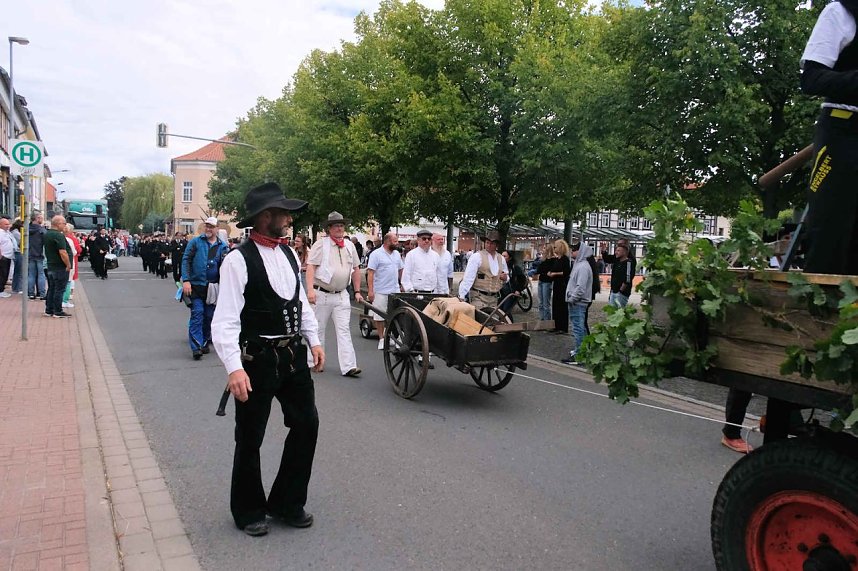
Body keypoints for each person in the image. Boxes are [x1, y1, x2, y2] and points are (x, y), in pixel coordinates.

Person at [211, 182, 324, 537]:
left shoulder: (289, 255)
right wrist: (234, 367)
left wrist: (314, 340)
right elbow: (225, 319)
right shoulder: (237, 260)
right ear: (265, 217)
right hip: (257, 359)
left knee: (307, 424)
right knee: (250, 437)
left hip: (292, 356)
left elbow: (300, 303)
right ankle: (248, 510)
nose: (289, 219)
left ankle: (287, 501)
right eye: (283, 212)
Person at [800, 0, 858, 275]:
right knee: (832, 226)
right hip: (843, 129)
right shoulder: (841, 12)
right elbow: (811, 79)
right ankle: (820, 310)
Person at [306, 211, 363, 377]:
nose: (340, 228)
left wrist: (358, 291)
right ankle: (316, 362)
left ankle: (349, 366)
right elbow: (311, 267)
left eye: (342, 225)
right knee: (318, 329)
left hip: (341, 294)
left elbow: (356, 269)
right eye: (336, 225)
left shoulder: (349, 246)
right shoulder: (320, 245)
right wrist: (310, 290)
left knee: (344, 330)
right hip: (321, 293)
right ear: (329, 228)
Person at [181, 217, 230, 360]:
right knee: (197, 313)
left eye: (211, 227)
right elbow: (186, 260)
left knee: (209, 316)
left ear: (217, 229)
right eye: (206, 226)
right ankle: (196, 346)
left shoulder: (222, 246)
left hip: (213, 287)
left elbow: (226, 266)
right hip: (196, 285)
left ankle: (204, 341)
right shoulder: (196, 242)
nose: (208, 229)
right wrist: (186, 280)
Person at [367, 232, 404, 349]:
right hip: (381, 290)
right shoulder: (376, 254)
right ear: (387, 241)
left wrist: (402, 284)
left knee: (396, 314)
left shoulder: (397, 254)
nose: (397, 243)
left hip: (395, 290)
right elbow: (371, 273)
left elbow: (401, 269)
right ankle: (382, 338)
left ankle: (393, 336)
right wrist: (370, 291)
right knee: (379, 315)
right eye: (395, 241)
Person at [458, 231, 508, 310]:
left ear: (496, 245)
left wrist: (505, 278)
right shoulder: (477, 257)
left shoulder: (501, 259)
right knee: (479, 319)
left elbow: (506, 276)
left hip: (494, 298)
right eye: (487, 242)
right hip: (478, 296)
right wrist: (462, 295)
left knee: (493, 321)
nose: (489, 245)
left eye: (492, 243)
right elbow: (468, 278)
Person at [561, 242, 593, 365]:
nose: (572, 252)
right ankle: (582, 351)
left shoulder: (583, 267)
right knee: (580, 328)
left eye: (574, 250)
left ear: (580, 251)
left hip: (578, 303)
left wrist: (572, 298)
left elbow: (580, 287)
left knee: (578, 328)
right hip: (577, 302)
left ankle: (580, 354)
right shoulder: (579, 265)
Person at [402, 229, 449, 295]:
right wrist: (411, 292)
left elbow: (439, 276)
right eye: (424, 239)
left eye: (429, 239)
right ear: (418, 240)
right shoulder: (411, 255)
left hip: (433, 294)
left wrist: (442, 292)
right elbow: (406, 277)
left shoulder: (435, 255)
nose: (427, 241)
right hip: (416, 294)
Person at [43, 215, 73, 318]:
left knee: (52, 288)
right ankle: (58, 311)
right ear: (58, 223)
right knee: (59, 289)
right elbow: (63, 252)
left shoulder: (47, 234)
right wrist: (68, 264)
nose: (65, 226)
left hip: (51, 265)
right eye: (64, 223)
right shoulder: (58, 235)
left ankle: (49, 309)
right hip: (60, 266)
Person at [546, 239, 571, 333]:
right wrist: (550, 272)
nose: (554, 248)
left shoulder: (565, 259)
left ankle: (563, 327)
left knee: (562, 306)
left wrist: (555, 274)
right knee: (555, 305)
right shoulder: (557, 259)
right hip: (556, 284)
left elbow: (566, 272)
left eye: (556, 246)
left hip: (562, 285)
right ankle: (555, 325)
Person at [499, 250, 527, 319]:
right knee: (500, 310)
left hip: (511, 293)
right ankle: (502, 326)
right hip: (501, 293)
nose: (502, 258)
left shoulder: (514, 268)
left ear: (510, 258)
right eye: (501, 256)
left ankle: (509, 326)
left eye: (504, 256)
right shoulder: (499, 267)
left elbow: (523, 280)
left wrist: (518, 290)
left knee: (506, 310)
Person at [606, 243, 635, 308]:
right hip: (613, 291)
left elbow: (627, 278)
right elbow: (607, 259)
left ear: (624, 252)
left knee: (619, 313)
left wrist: (620, 291)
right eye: (616, 250)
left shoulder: (628, 263)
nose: (616, 252)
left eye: (618, 251)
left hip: (621, 293)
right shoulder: (617, 262)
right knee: (612, 312)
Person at [28, 212, 47, 299]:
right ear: (37, 218)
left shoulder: (27, 229)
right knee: (41, 274)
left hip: (30, 254)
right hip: (40, 254)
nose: (42, 219)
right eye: (41, 218)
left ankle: (31, 293)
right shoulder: (41, 230)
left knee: (31, 274)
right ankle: (42, 293)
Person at [535, 244, 555, 323]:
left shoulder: (553, 260)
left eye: (544, 248)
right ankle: (542, 319)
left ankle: (547, 322)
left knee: (546, 303)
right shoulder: (543, 259)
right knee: (540, 302)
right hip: (541, 280)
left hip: (547, 282)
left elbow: (548, 270)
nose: (542, 250)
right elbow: (539, 270)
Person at [62, 223, 81, 309]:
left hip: (58, 263)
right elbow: (75, 251)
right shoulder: (71, 240)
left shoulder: (59, 237)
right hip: (69, 262)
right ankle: (65, 300)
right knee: (69, 281)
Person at [0, 216, 14, 298]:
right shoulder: (1, 233)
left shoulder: (7, 233)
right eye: (6, 224)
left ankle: (2, 289)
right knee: (2, 274)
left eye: (8, 224)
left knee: (5, 274)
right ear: (0, 225)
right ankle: (0, 290)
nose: (8, 226)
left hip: (8, 256)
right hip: (3, 256)